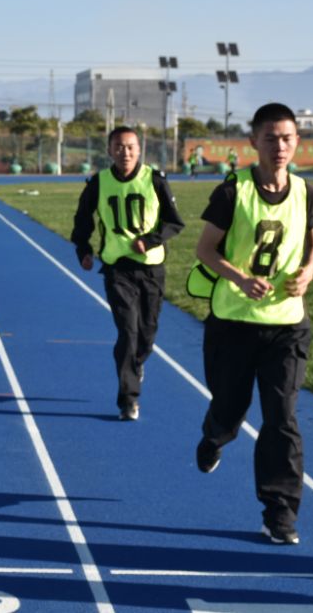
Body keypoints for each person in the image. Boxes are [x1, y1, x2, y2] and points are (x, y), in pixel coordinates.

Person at [191, 102, 313, 546]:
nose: (280, 146)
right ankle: (214, 436)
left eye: (287, 138)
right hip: (233, 323)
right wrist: (241, 279)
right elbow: (205, 250)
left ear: (297, 142)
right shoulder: (233, 192)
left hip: (286, 326)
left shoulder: (307, 193)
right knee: (229, 408)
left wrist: (308, 273)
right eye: (270, 138)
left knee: (282, 418)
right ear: (253, 142)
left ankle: (280, 513)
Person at [71, 126, 184, 420]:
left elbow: (175, 223)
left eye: (131, 147)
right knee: (128, 331)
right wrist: (83, 249)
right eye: (119, 147)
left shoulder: (155, 180)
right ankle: (128, 399)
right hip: (117, 268)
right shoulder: (99, 182)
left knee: (146, 334)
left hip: (151, 268)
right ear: (109, 150)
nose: (125, 153)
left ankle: (137, 362)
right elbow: (83, 219)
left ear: (139, 149)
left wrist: (149, 240)